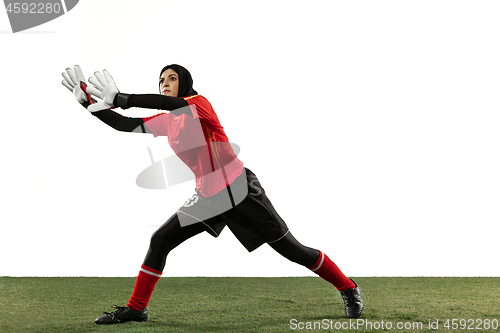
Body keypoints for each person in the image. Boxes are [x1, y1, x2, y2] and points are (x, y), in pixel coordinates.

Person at [61, 64, 363, 325]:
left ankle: (348, 287)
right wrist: (89, 103)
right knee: (160, 240)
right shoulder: (168, 121)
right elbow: (125, 125)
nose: (165, 84)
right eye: (161, 81)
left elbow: (173, 106)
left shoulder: (197, 104)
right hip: (208, 196)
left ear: (184, 83)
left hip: (240, 189)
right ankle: (136, 309)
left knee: (292, 250)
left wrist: (123, 98)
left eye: (171, 79)